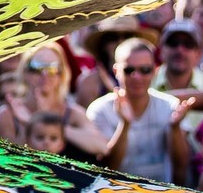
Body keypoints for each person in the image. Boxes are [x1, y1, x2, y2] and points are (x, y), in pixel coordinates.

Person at [79, 37, 190, 183]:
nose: (137, 76)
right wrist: (124, 126)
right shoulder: (99, 110)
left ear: (155, 71)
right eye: (129, 70)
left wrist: (175, 128)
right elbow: (106, 167)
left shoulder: (170, 106)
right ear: (116, 70)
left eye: (145, 70)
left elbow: (182, 166)